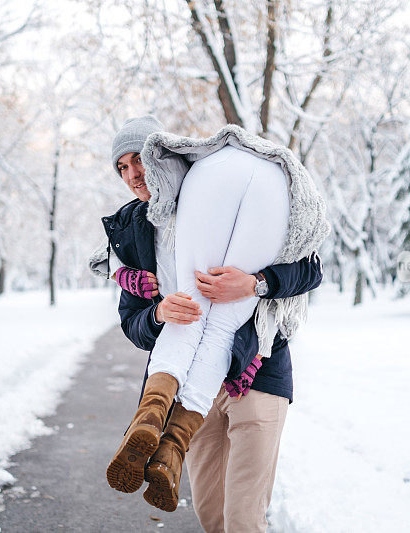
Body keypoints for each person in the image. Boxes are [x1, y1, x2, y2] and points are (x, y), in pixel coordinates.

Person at [91, 116, 327, 531]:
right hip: (189, 390)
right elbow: (132, 322)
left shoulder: (219, 190)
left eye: (138, 161)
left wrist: (255, 283)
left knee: (243, 515)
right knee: (210, 513)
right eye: (122, 168)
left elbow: (309, 270)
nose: (133, 175)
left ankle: (162, 432)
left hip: (256, 374)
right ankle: (159, 434)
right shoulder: (134, 230)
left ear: (161, 155)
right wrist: (159, 313)